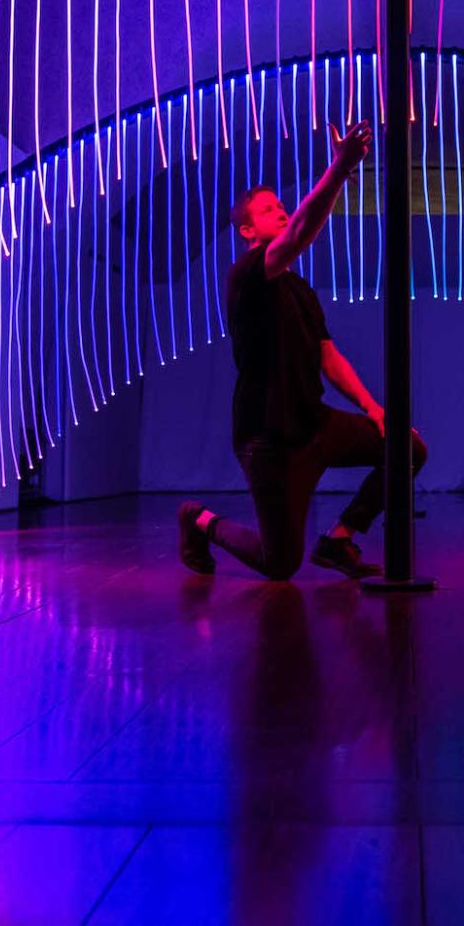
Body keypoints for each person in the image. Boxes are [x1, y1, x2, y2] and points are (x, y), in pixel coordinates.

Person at [178, 119, 427, 580]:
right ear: (248, 233)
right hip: (268, 441)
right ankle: (199, 519)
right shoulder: (247, 275)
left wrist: (376, 410)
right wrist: (340, 168)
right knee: (280, 564)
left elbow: (329, 358)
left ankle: (339, 540)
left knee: (406, 448)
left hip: (314, 425)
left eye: (281, 205)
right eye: (270, 209)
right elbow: (300, 235)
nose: (282, 212)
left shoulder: (300, 289)